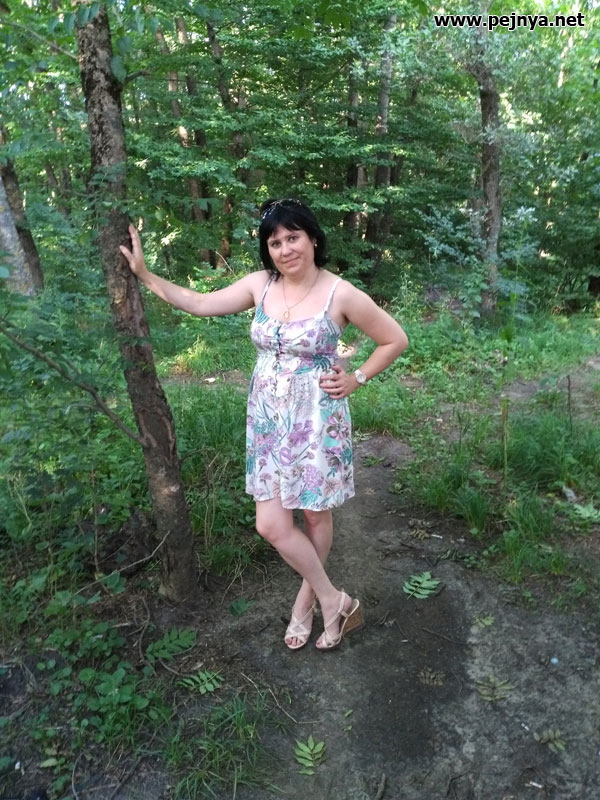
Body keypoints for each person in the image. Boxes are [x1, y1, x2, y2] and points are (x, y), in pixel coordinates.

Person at [120, 198, 408, 652]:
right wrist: (145, 275)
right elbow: (199, 303)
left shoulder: (341, 294)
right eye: (275, 242)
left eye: (293, 237)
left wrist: (357, 378)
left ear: (313, 239)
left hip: (316, 420)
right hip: (268, 423)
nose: (285, 249)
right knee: (271, 524)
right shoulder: (261, 285)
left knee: (314, 514)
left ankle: (305, 603)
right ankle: (334, 599)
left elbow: (395, 339)